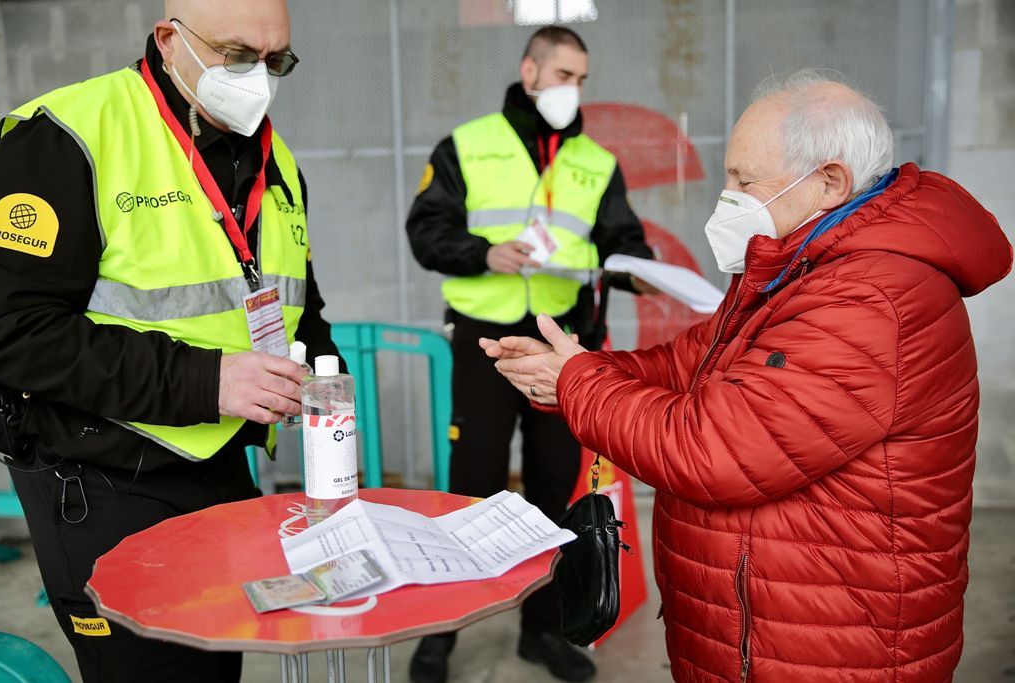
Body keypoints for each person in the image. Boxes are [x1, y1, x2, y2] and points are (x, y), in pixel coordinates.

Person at [484, 71, 1013, 682]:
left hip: (832, 648)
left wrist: (578, 384)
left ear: (829, 182)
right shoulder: (802, 263)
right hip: (769, 628)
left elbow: (713, 449)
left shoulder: (869, 298)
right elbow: (691, 365)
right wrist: (574, 370)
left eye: (744, 180)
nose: (727, 196)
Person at [0, 1, 342, 680]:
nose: (259, 79)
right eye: (239, 56)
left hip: (220, 465)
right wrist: (207, 380)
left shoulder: (277, 165)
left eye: (277, 62)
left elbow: (299, 304)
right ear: (169, 40)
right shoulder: (67, 136)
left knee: (216, 664)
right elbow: (10, 331)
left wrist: (326, 380)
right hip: (100, 477)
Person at [406, 24, 654, 683]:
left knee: (552, 486)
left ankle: (541, 630)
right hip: (484, 342)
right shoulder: (467, 145)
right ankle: (442, 632)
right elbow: (425, 231)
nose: (573, 90)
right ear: (530, 70)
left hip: (562, 350)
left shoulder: (596, 163)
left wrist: (639, 268)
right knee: (472, 487)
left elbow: (623, 241)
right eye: (565, 75)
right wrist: (483, 253)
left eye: (582, 79)